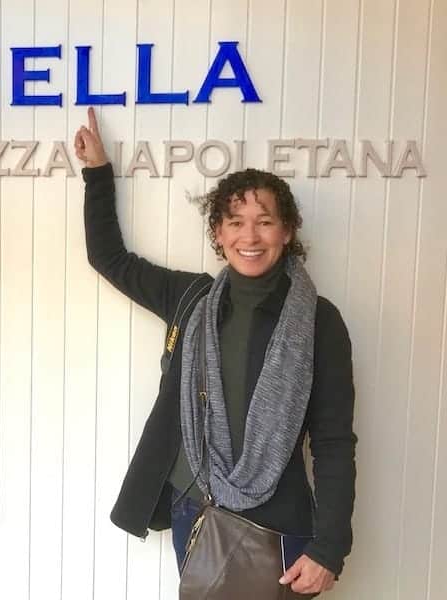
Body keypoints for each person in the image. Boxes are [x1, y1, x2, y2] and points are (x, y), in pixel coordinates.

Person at [74, 107, 356, 596]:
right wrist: (97, 172)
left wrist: (329, 547)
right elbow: (109, 258)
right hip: (197, 509)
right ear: (219, 234)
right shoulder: (191, 300)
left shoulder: (318, 321)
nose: (250, 236)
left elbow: (332, 442)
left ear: (287, 232)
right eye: (235, 222)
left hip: (280, 525)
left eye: (265, 222)